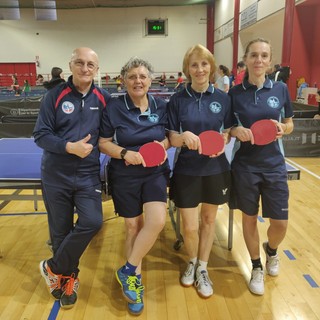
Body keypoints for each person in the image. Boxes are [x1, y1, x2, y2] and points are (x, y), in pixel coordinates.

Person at [33, 47, 111, 309]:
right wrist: (70, 147)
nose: (85, 68)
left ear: (97, 69)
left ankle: (52, 267)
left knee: (92, 221)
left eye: (90, 64)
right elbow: (40, 135)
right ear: (70, 65)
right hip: (56, 175)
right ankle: (68, 280)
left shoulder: (104, 98)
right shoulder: (54, 97)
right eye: (80, 63)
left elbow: (114, 132)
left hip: (87, 175)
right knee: (60, 232)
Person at [99, 57, 170, 315]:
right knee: (132, 226)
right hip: (125, 173)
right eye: (132, 77)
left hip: (154, 172)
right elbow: (103, 142)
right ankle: (133, 282)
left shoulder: (161, 106)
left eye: (142, 76)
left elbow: (169, 138)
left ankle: (127, 267)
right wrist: (124, 153)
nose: (137, 81)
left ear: (150, 80)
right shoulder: (114, 108)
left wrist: (160, 147)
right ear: (124, 81)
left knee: (157, 221)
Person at [228, 38, 294, 296]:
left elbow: (289, 123)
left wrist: (283, 128)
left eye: (264, 56)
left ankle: (272, 250)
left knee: (280, 223)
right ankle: (256, 265)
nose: (259, 60)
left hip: (274, 164)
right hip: (245, 165)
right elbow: (227, 129)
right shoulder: (234, 93)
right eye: (254, 55)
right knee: (249, 217)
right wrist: (236, 130)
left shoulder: (280, 89)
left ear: (269, 61)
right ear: (246, 59)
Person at [167, 44, 233, 298]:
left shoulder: (223, 98)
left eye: (204, 64)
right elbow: (172, 138)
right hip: (187, 170)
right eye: (194, 64)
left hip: (215, 168)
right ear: (187, 69)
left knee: (208, 220)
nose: (199, 69)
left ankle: (203, 268)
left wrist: (223, 141)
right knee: (190, 225)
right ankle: (192, 260)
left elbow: (227, 131)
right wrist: (183, 136)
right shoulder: (177, 99)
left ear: (211, 67)